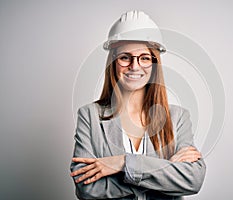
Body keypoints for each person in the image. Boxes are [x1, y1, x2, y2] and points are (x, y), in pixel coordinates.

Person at [70, 10, 206, 200]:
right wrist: (164, 169)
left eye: (144, 58)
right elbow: (86, 188)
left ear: (154, 63)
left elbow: (193, 179)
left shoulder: (178, 118)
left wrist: (123, 163)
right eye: (125, 57)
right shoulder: (90, 115)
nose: (135, 66)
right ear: (113, 63)